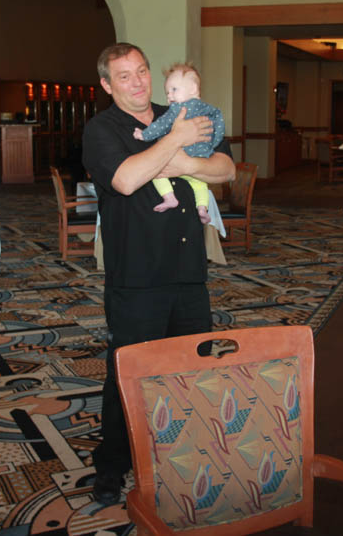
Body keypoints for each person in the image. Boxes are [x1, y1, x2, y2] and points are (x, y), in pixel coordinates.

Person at [82, 42, 235, 505]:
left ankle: (186, 453)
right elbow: (126, 179)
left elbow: (225, 168)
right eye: (124, 76)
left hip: (189, 274)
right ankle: (112, 465)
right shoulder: (101, 130)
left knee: (192, 367)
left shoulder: (184, 110)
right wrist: (174, 140)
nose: (138, 82)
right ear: (108, 85)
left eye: (142, 71)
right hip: (137, 277)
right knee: (128, 373)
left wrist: (186, 163)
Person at [133, 62, 225, 224]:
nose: (170, 96)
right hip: (201, 156)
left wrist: (144, 135)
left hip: (178, 156)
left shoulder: (177, 110)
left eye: (174, 90)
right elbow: (219, 124)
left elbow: (161, 125)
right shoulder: (210, 109)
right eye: (167, 92)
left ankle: (169, 197)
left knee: (156, 173)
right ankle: (202, 208)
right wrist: (213, 143)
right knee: (200, 185)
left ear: (193, 90)